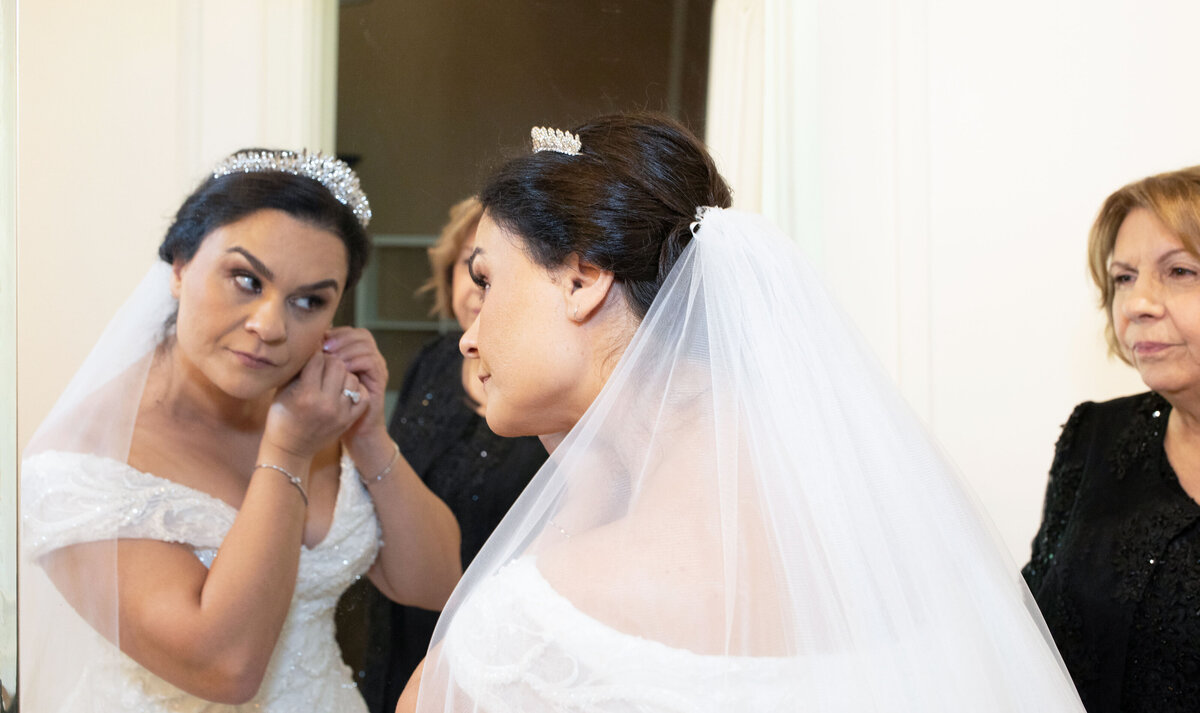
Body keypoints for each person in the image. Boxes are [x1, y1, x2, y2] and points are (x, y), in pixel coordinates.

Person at [397, 113, 1085, 712]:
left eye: (487, 279)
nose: (469, 331)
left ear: (583, 279)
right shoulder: (873, 544)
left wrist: (585, 495)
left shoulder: (541, 614)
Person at [20, 150, 461, 712]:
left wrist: (367, 434)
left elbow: (437, 583)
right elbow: (224, 668)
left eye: (310, 301)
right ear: (179, 268)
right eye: (246, 280)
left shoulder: (318, 409)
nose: (270, 326)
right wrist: (288, 452)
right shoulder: (79, 461)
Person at [1024, 166, 1200, 713]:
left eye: (1179, 271)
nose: (1137, 304)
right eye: (1124, 277)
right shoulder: (1094, 437)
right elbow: (1032, 625)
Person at [359, 197, 545, 713]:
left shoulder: (551, 395)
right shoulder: (435, 361)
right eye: (472, 268)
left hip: (490, 642)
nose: (477, 288)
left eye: (494, 273)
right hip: (396, 615)